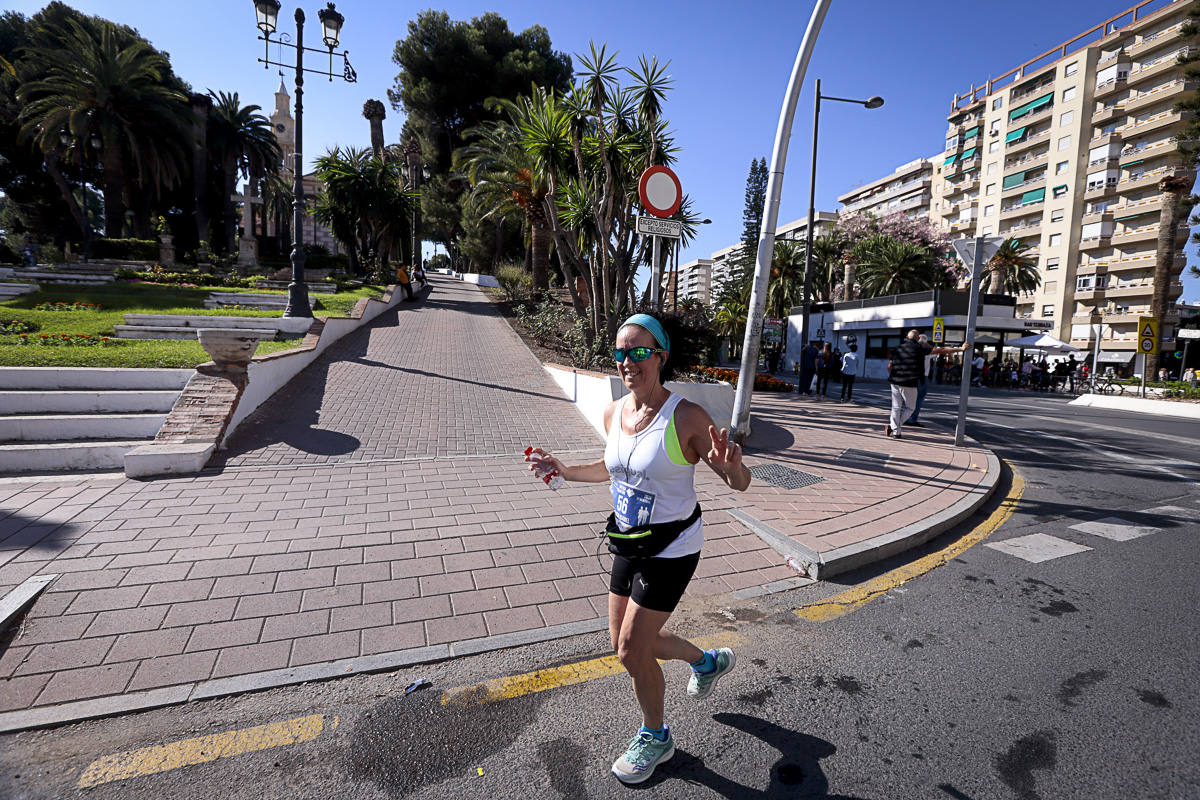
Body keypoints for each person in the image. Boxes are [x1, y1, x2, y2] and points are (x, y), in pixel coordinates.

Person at [527, 313, 751, 785]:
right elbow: (613, 470)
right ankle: (705, 662)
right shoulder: (614, 411)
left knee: (631, 649)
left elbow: (738, 483)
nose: (629, 361)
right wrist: (565, 470)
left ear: (661, 356)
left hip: (672, 549)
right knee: (626, 645)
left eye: (640, 351)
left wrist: (733, 466)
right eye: (621, 352)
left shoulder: (686, 416)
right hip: (630, 542)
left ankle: (656, 735)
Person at [887, 329, 968, 439]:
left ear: (907, 337)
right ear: (918, 339)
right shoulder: (920, 348)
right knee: (910, 408)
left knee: (896, 407)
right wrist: (961, 349)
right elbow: (942, 350)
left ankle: (895, 430)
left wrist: (893, 375)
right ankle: (894, 428)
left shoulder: (897, 348)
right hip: (909, 382)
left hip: (895, 381)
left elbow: (890, 365)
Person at [907, 334, 935, 428]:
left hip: (912, 376)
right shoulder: (927, 351)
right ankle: (912, 419)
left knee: (909, 398)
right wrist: (926, 344)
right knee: (919, 399)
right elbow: (937, 351)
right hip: (923, 377)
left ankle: (907, 417)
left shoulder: (913, 350)